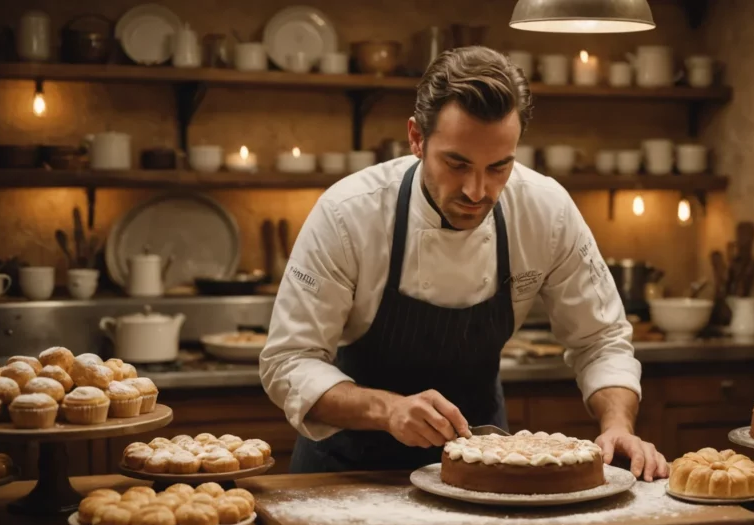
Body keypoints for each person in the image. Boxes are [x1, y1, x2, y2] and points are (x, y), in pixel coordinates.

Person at [260, 46, 668, 481]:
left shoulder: (546, 211)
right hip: (348, 472)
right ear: (416, 138)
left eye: (499, 167)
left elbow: (601, 339)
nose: (477, 191)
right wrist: (389, 409)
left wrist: (618, 426)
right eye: (457, 164)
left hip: (485, 466)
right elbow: (289, 361)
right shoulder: (348, 214)